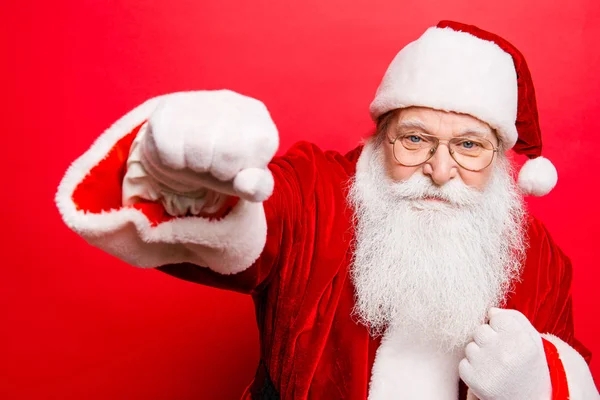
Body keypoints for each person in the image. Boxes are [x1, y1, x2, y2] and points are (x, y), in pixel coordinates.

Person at [56, 20, 599, 399]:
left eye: (470, 145)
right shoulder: (319, 192)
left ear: (503, 158)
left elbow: (570, 365)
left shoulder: (537, 256)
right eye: (414, 139)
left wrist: (540, 386)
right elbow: (255, 222)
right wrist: (191, 175)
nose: (439, 168)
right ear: (379, 138)